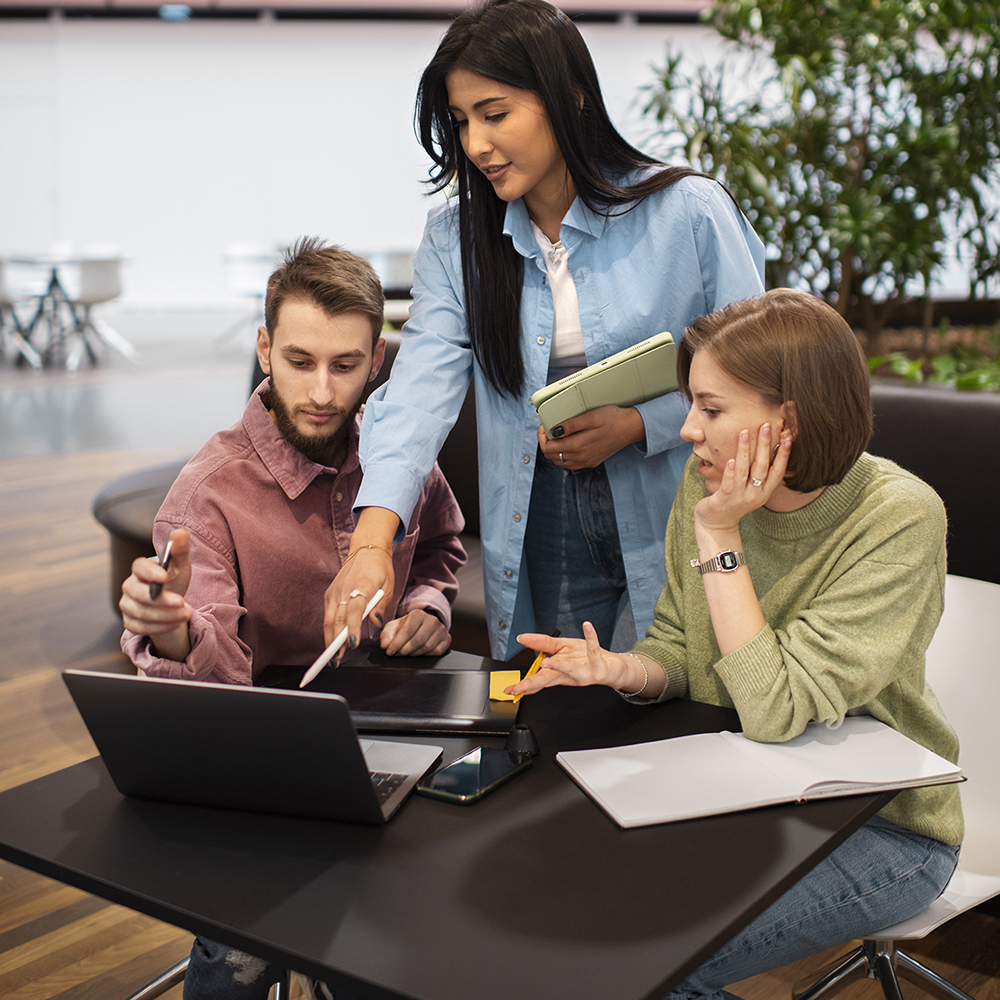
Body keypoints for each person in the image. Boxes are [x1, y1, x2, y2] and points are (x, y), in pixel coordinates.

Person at [509, 288, 963, 999]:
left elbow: (773, 709)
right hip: (743, 794)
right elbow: (684, 655)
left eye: (712, 410)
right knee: (570, 924)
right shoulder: (706, 483)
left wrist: (721, 538)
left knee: (640, 971)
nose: (688, 432)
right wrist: (620, 667)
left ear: (790, 420)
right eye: (692, 404)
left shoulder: (898, 517)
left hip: (884, 828)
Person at [325, 0, 765, 663]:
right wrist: (369, 546)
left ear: (572, 98)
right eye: (461, 121)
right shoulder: (456, 242)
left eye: (495, 114)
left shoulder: (689, 214)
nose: (475, 144)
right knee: (566, 718)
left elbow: (758, 379)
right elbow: (417, 394)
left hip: (684, 502)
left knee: (678, 707)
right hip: (544, 514)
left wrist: (641, 424)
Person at [119, 238, 466, 999]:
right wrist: (173, 628)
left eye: (345, 366)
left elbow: (441, 546)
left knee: (402, 954)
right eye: (300, 360)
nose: (320, 390)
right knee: (237, 965)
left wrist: (427, 607)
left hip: (392, 748)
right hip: (260, 775)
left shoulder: (398, 455)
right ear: (263, 348)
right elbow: (203, 665)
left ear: (378, 359)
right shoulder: (210, 490)